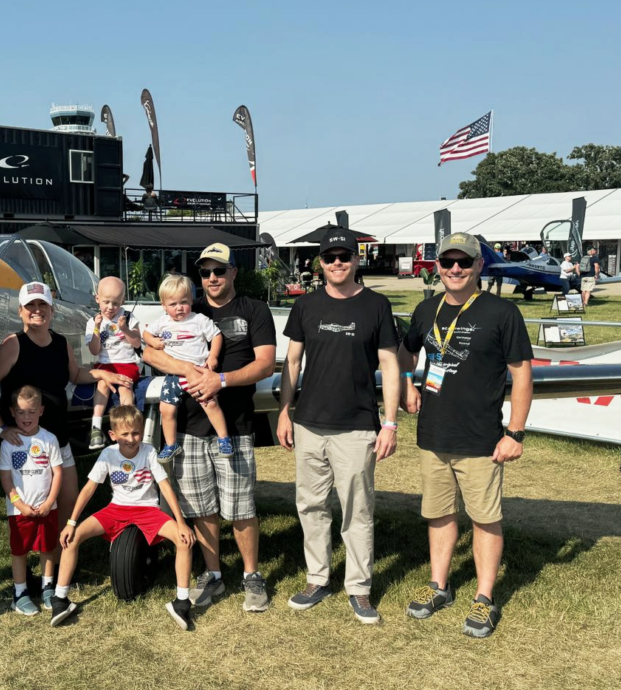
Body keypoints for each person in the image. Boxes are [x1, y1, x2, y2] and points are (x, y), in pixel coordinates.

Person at [398, 232, 533, 639]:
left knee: (484, 518)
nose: (454, 269)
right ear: (437, 267)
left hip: (481, 438)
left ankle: (484, 598)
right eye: (447, 262)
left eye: (463, 262)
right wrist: (408, 383)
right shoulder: (425, 310)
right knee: (438, 514)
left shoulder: (502, 312)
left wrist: (516, 433)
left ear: (479, 267)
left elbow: (522, 375)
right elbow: (407, 351)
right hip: (434, 433)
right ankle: (439, 586)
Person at [141, 243, 276, 613]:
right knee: (201, 507)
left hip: (233, 425)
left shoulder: (254, 310)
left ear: (234, 272)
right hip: (186, 427)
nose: (212, 278)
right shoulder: (186, 309)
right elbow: (149, 352)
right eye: (205, 272)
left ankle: (251, 575)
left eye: (220, 270)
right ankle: (213, 574)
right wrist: (187, 370)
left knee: (241, 506)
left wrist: (221, 379)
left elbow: (265, 365)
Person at [276, 227, 400, 625]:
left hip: (358, 426)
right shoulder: (306, 306)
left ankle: (359, 588)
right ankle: (317, 578)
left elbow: (390, 366)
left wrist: (391, 424)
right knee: (311, 506)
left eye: (344, 256)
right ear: (321, 262)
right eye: (329, 257)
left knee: (357, 510)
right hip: (309, 423)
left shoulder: (377, 306)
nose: (337, 263)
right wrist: (283, 410)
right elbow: (292, 363)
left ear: (356, 259)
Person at [0, 281, 134, 544]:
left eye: (43, 304)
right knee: (29, 512)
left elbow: (74, 374)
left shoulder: (61, 343)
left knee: (68, 503)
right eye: (31, 305)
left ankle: (59, 563)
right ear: (20, 311)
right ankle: (29, 571)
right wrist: (0, 429)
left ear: (52, 310)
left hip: (58, 440)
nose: (37, 310)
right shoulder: (12, 344)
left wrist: (103, 373)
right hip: (25, 444)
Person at [48, 405, 196, 630]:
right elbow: (88, 489)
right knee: (72, 537)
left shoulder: (148, 451)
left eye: (136, 432)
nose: (131, 438)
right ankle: (60, 600)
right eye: (125, 434)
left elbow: (165, 486)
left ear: (142, 431)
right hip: (116, 509)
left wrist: (181, 522)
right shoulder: (108, 453)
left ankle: (182, 602)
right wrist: (71, 523)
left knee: (184, 539)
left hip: (148, 510)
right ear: (113, 435)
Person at [142, 274, 231, 464]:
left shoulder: (198, 320)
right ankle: (171, 444)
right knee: (166, 409)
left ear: (191, 300)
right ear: (163, 306)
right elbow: (146, 333)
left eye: (184, 302)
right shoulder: (163, 322)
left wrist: (213, 356)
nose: (179, 308)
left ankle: (224, 438)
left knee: (210, 404)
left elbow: (216, 336)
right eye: (173, 304)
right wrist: (153, 341)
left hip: (197, 372)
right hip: (174, 375)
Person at [0, 385, 63, 615]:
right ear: (12, 412)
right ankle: (20, 593)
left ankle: (47, 587)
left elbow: (57, 474)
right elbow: (6, 478)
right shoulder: (8, 443)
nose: (27, 417)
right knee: (19, 551)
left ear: (41, 411)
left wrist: (49, 503)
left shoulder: (49, 439)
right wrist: (19, 505)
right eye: (21, 412)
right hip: (19, 512)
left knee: (47, 547)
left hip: (47, 508)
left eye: (32, 412)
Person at [86, 277, 142, 450]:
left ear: (123, 301)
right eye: (106, 302)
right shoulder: (93, 321)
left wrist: (124, 329)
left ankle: (128, 428)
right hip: (105, 365)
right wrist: (96, 328)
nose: (111, 307)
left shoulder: (128, 317)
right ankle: (96, 428)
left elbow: (137, 343)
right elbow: (94, 351)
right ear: (97, 299)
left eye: (116, 303)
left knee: (125, 387)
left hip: (126, 364)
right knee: (103, 383)